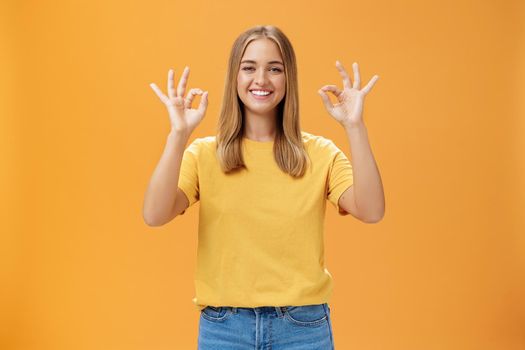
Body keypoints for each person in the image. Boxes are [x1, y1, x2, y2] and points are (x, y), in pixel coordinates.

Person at [143, 24, 384, 350]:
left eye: (274, 68)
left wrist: (354, 126)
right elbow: (155, 214)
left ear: (289, 79)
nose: (261, 79)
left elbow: (371, 210)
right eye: (249, 68)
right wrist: (178, 135)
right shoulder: (203, 154)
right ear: (235, 78)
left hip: (303, 328)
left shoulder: (320, 154)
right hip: (224, 329)